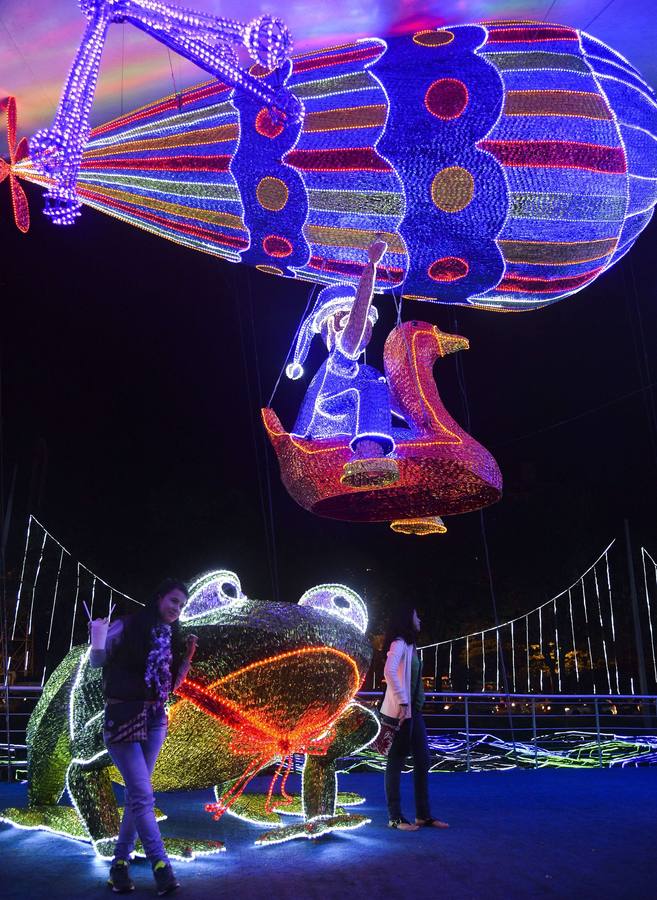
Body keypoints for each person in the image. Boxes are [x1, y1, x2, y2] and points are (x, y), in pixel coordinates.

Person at [89, 579, 198, 895]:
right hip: (123, 719)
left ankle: (119, 867)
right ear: (159, 597)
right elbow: (97, 662)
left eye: (181, 606)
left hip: (154, 720)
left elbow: (169, 686)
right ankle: (160, 865)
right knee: (143, 796)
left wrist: (188, 654)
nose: (176, 609)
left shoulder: (167, 636)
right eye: (173, 601)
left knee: (138, 797)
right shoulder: (127, 625)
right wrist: (97, 636)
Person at [285, 239, 398, 487]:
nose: (359, 326)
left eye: (367, 322)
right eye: (342, 319)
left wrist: (423, 423)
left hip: (349, 435)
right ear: (328, 326)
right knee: (370, 389)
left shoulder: (367, 372)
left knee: (402, 433)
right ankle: (369, 458)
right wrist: (371, 266)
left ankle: (414, 502)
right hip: (322, 426)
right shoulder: (339, 358)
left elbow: (393, 404)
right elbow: (355, 328)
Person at [381, 603, 449, 831]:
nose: (420, 619)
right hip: (402, 712)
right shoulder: (399, 643)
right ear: (407, 619)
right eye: (416, 615)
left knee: (423, 759)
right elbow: (389, 671)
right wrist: (402, 701)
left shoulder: (411, 645)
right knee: (396, 761)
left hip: (414, 712)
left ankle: (423, 815)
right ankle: (395, 817)